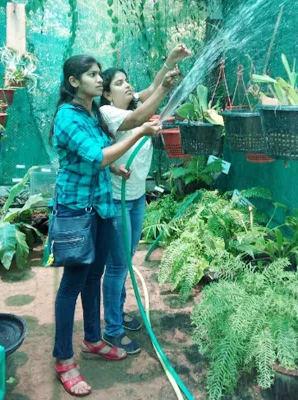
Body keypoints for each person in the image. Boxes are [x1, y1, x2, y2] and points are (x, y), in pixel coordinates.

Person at [49, 54, 161, 396]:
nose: (99, 80)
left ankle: (93, 339)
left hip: (99, 204)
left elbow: (100, 154)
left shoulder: (92, 113)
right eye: (93, 75)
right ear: (74, 82)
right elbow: (99, 155)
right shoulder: (68, 117)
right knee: (72, 282)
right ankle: (63, 359)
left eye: (100, 75)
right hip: (75, 210)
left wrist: (114, 168)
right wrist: (140, 131)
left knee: (95, 274)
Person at [98, 44, 191, 354]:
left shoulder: (132, 103)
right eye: (120, 83)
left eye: (127, 80)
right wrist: (164, 88)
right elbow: (140, 115)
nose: (128, 86)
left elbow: (150, 90)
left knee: (125, 263)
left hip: (136, 198)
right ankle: (111, 328)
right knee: (117, 265)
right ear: (108, 94)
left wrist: (169, 62)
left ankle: (117, 312)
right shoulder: (109, 113)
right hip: (116, 199)